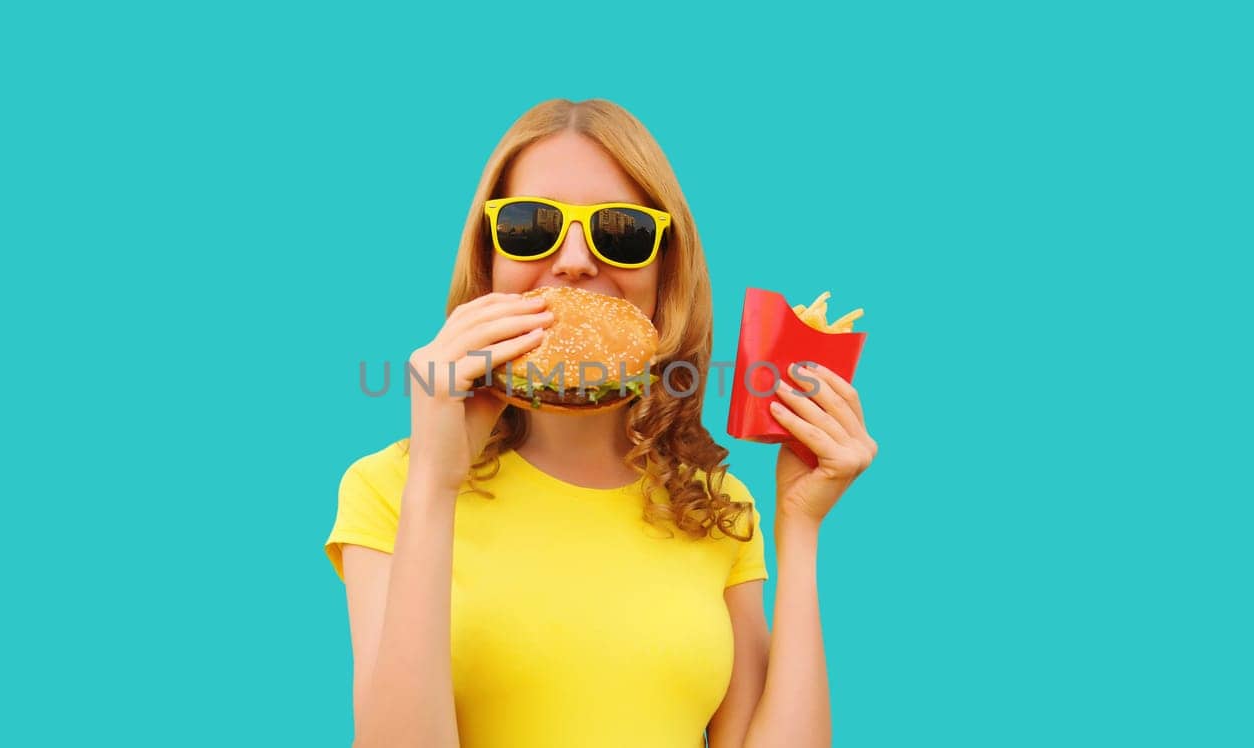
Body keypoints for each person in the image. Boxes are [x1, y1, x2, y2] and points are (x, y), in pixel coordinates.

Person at [324, 98, 878, 748]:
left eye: (621, 232)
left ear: (664, 269)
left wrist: (801, 529)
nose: (576, 261)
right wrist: (435, 485)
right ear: (490, 261)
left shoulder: (715, 506)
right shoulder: (389, 489)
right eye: (532, 228)